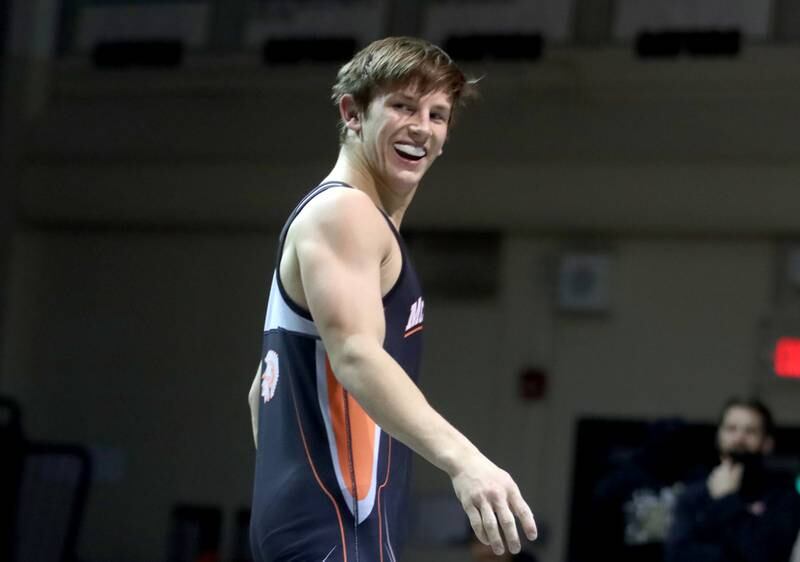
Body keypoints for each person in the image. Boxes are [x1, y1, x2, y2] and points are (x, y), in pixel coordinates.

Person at [247, 37, 537, 562]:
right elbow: (356, 355)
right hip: (331, 531)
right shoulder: (345, 213)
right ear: (352, 113)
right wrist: (466, 461)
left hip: (326, 526)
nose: (421, 127)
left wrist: (286, 494)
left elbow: (261, 392)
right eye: (403, 106)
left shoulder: (352, 221)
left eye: (437, 114)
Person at [665, 397, 800, 562]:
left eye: (750, 431)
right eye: (731, 429)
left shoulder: (783, 496)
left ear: (767, 443)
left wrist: (727, 500)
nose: (739, 438)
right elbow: (677, 555)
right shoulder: (694, 495)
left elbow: (766, 555)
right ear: (718, 436)